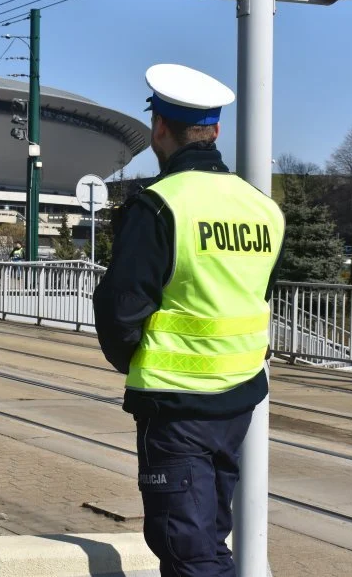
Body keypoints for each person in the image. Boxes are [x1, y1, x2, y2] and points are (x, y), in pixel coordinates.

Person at [93, 64, 284, 577]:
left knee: (188, 548)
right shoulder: (262, 209)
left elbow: (120, 312)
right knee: (205, 532)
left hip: (176, 405)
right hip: (237, 400)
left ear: (159, 128)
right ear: (216, 130)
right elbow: (255, 296)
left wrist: (140, 361)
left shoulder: (159, 206)